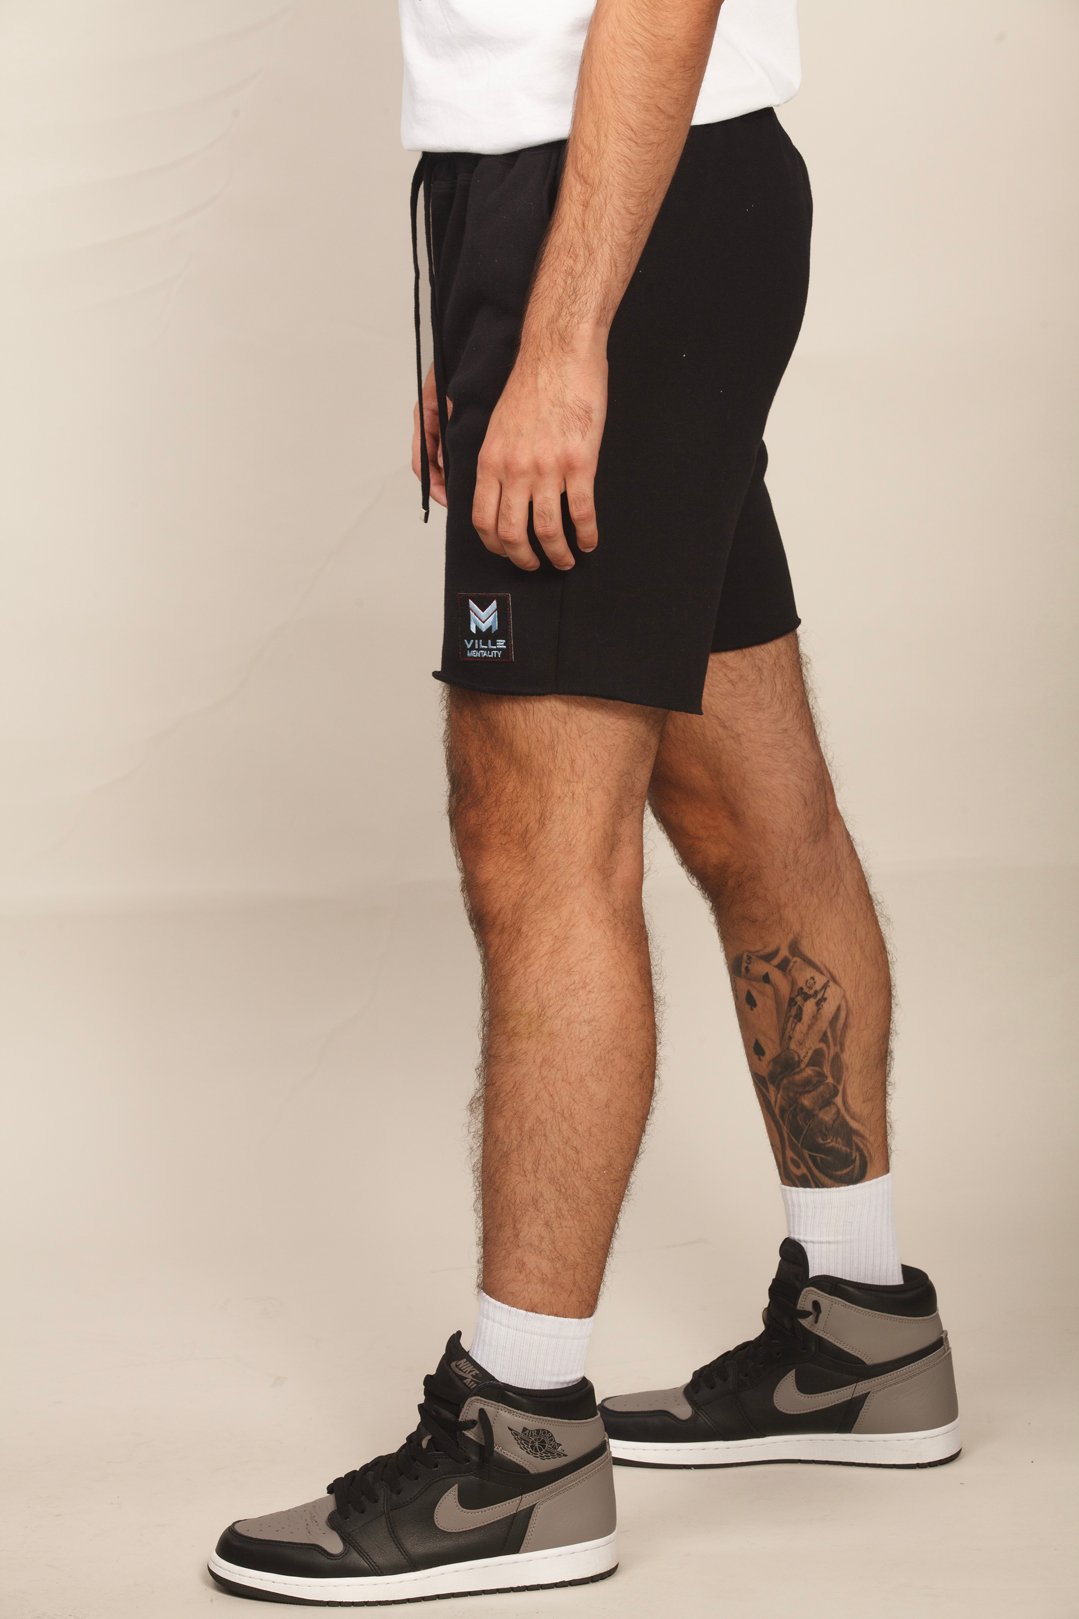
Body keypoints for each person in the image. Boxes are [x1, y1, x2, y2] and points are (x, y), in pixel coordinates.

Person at [208, 0, 960, 1603]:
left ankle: (520, 1442)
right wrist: (486, 309)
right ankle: (860, 1329)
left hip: (610, 209)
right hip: (613, 201)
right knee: (751, 812)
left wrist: (558, 339)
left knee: (538, 851)